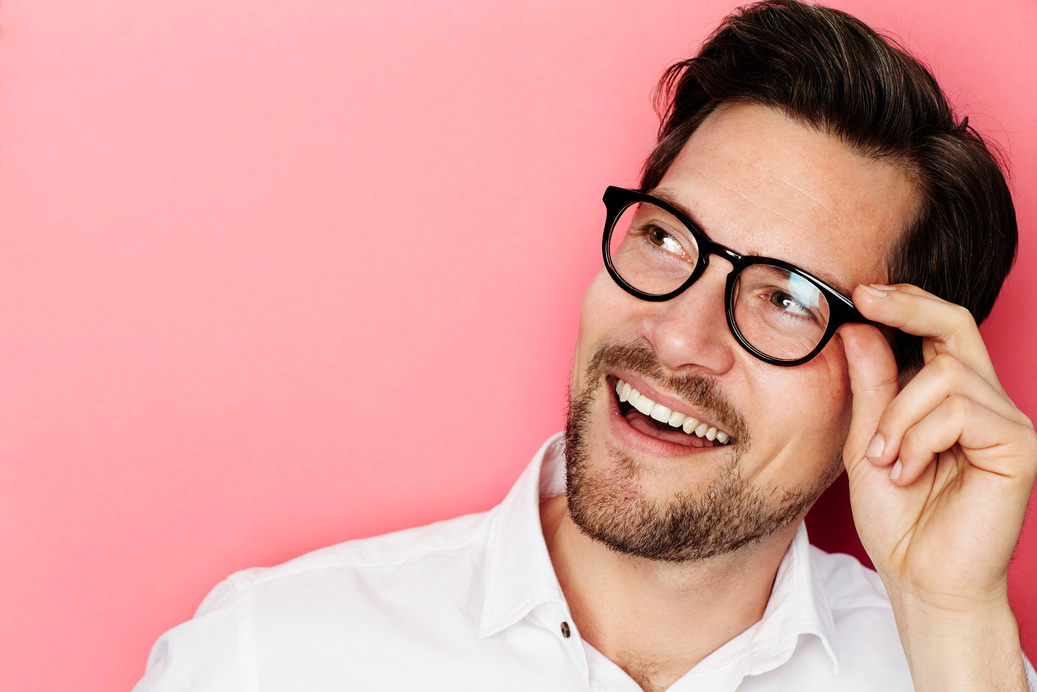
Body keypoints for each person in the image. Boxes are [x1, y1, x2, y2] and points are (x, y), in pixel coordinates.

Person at [134, 1, 1036, 690]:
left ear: (902, 386)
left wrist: (951, 617)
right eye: (667, 238)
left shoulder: (958, 669)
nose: (678, 335)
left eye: (786, 300)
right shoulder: (269, 657)